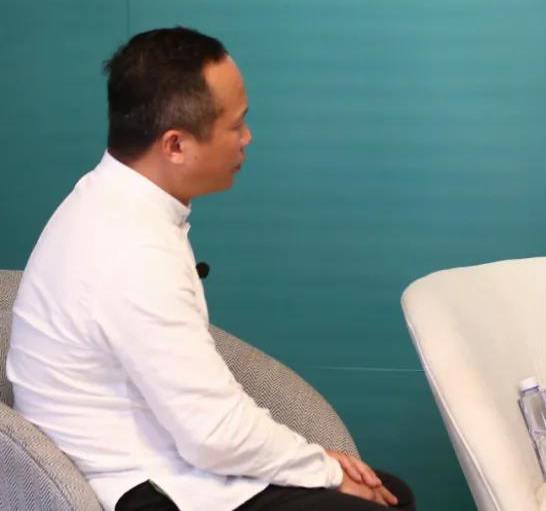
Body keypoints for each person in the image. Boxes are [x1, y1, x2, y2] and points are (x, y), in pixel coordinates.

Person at [6, 27, 415, 511]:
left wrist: (316, 464)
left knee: (390, 493)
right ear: (175, 145)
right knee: (379, 500)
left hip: (167, 457)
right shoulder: (133, 251)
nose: (247, 138)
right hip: (146, 488)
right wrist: (323, 469)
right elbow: (212, 435)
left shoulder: (105, 199)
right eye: (235, 125)